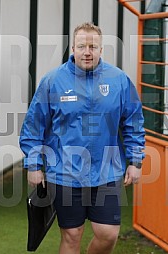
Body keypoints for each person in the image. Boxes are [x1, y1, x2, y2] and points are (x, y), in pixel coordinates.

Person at [19, 22, 145, 254]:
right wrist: (34, 164)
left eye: (93, 46)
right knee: (72, 235)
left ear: (101, 49)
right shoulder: (53, 81)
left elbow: (133, 122)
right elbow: (34, 127)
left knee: (107, 234)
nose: (87, 52)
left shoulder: (119, 80)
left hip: (107, 170)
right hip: (65, 172)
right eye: (81, 46)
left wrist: (136, 161)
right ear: (72, 49)